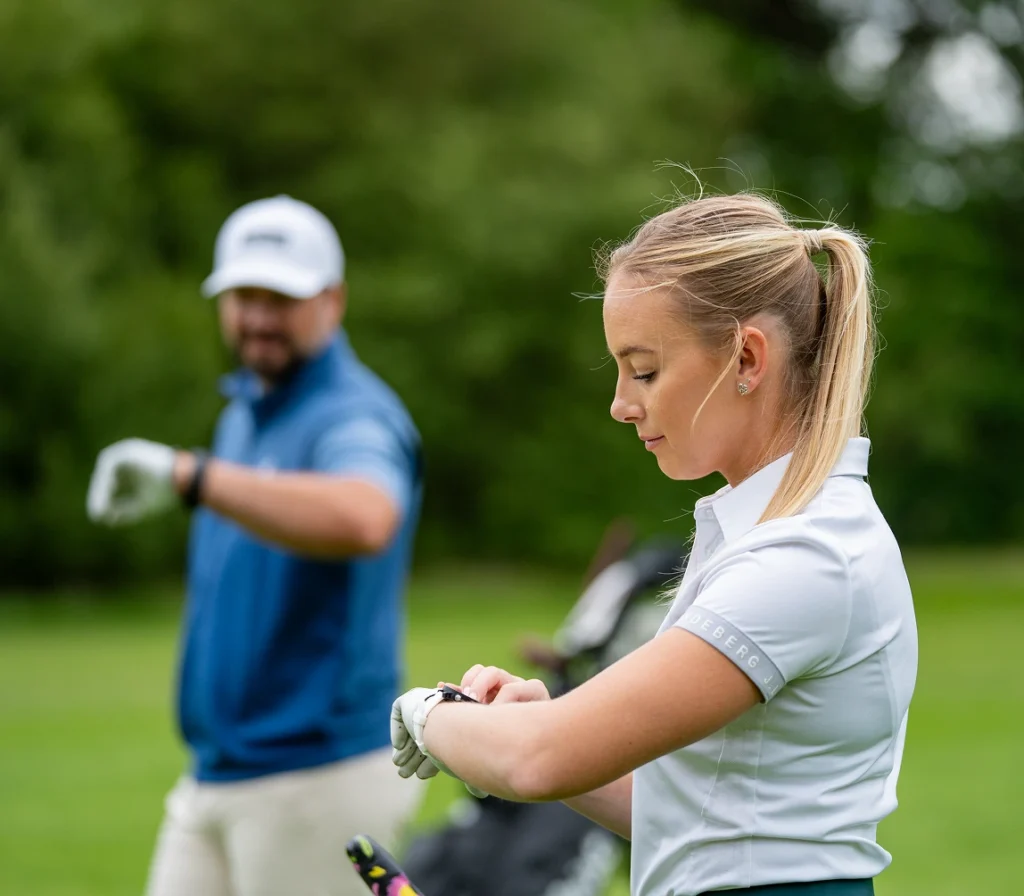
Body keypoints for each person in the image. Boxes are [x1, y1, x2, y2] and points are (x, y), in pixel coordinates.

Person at [390, 193, 916, 896]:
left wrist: (428, 714)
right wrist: (545, 724)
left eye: (643, 369)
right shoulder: (776, 534)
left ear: (747, 358)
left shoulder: (805, 557)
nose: (620, 402)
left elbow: (535, 763)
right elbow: (693, 814)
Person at [86, 195, 424, 896]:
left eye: (282, 297)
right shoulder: (246, 411)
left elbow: (367, 515)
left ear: (332, 301)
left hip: (317, 779)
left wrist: (192, 476)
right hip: (216, 773)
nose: (259, 317)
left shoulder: (353, 413)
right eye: (244, 296)